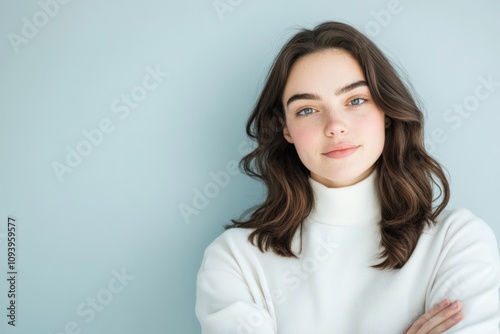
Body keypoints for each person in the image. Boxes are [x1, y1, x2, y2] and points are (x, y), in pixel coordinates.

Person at [195, 21, 500, 333]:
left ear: (386, 111)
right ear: (285, 128)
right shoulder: (236, 260)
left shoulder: (456, 241)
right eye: (307, 110)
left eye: (355, 101)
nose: (335, 126)